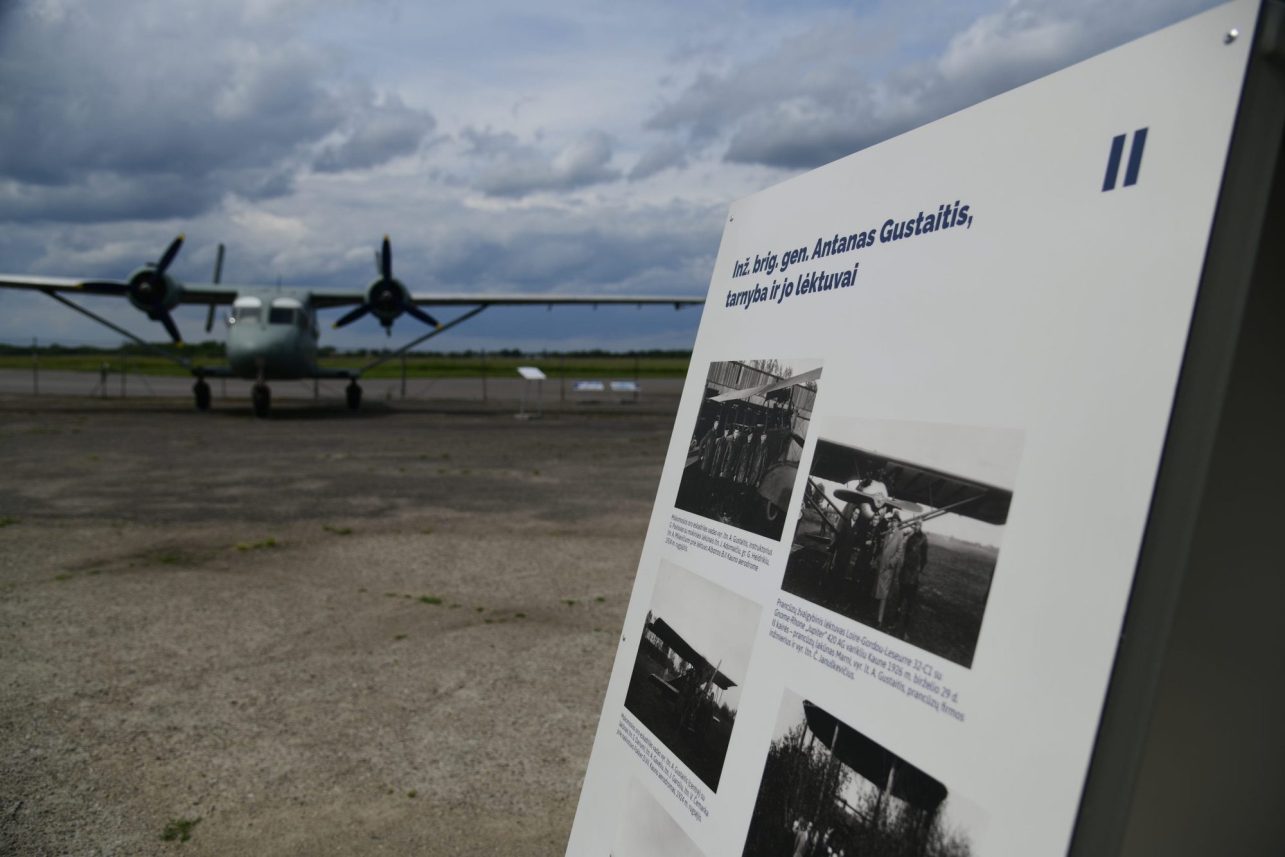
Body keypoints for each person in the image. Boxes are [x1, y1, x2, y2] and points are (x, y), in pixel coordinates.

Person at [875, 512, 906, 627]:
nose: (893, 523)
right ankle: (876, 615)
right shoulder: (887, 533)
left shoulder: (900, 534)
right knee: (879, 591)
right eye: (892, 521)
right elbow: (883, 548)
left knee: (884, 593)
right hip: (881, 566)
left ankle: (880, 619)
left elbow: (899, 552)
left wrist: (891, 563)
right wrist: (879, 559)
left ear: (898, 523)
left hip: (888, 568)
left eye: (896, 521)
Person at [898, 521, 928, 639]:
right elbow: (905, 553)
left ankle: (905, 630)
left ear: (920, 526)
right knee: (900, 599)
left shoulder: (923, 539)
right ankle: (895, 623)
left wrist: (919, 569)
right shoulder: (910, 537)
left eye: (918, 525)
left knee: (910, 604)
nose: (916, 527)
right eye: (914, 525)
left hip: (914, 576)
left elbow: (924, 558)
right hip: (905, 573)